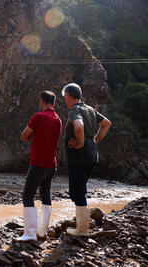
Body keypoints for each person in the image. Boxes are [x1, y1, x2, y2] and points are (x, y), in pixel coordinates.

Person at [62, 83, 111, 236]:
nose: (65, 100)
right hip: (92, 155)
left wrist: (80, 143)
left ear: (69, 96)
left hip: (79, 156)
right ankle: (82, 225)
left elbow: (78, 125)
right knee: (79, 190)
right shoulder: (90, 109)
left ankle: (82, 229)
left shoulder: (74, 110)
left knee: (77, 191)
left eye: (65, 97)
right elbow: (107, 124)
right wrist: (95, 140)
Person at [17, 91, 62, 241]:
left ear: (42, 101)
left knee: (27, 195)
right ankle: (42, 232)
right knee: (45, 195)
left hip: (38, 163)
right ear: (54, 104)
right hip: (51, 164)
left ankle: (29, 234)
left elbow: (23, 135)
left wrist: (35, 137)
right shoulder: (58, 120)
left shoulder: (38, 117)